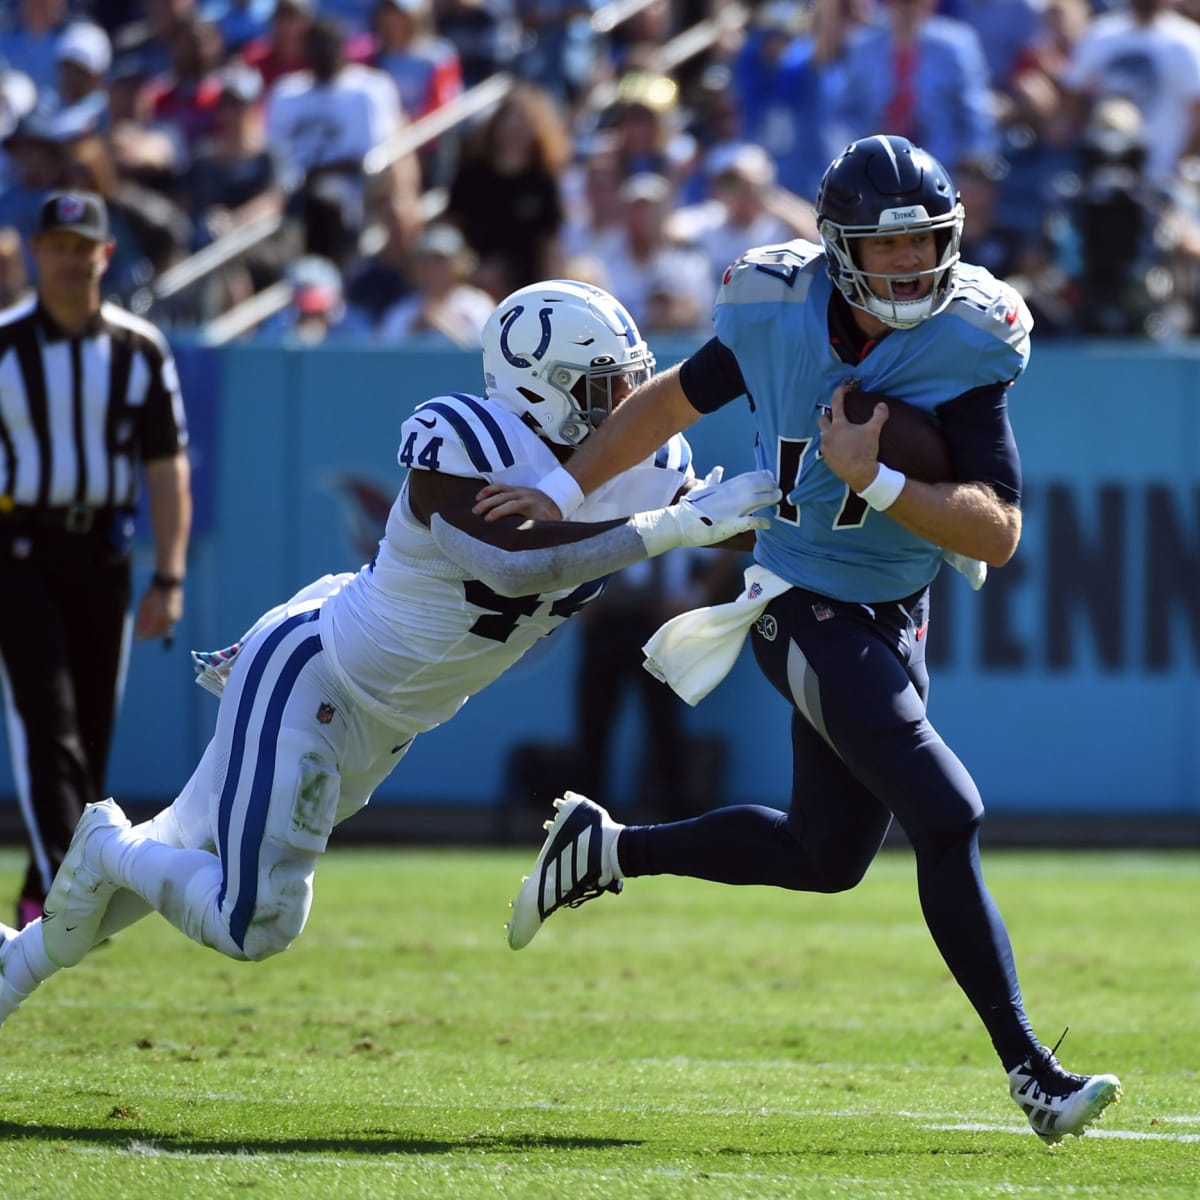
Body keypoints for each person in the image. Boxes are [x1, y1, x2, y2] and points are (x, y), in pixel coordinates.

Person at [482, 135, 1124, 1146]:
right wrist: (564, 489)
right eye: (890, 247)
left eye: (928, 245)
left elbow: (997, 527)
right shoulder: (771, 306)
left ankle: (607, 851)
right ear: (835, 247)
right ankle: (1033, 1073)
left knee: (823, 857)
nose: (914, 266)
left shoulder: (972, 332)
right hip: (792, 595)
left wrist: (875, 479)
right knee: (948, 812)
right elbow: (669, 402)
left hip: (896, 611)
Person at [0, 279, 779, 1027]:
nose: (626, 409)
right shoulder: (467, 439)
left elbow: (718, 523)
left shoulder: (648, 468)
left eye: (631, 383)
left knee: (177, 851)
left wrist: (778, 514)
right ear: (538, 386)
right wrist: (680, 526)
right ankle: (103, 844)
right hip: (315, 673)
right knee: (255, 921)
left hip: (389, 718)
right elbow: (516, 561)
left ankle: (18, 966)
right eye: (602, 387)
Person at [0, 189, 192, 930]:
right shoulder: (7, 344)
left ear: (105, 256)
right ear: (37, 251)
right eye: (60, 247)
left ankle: (44, 881)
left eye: (86, 248)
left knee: (90, 728)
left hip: (103, 552)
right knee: (47, 720)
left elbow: (166, 467)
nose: (73, 261)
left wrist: (169, 576)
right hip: (19, 549)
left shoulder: (138, 348)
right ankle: (62, 891)